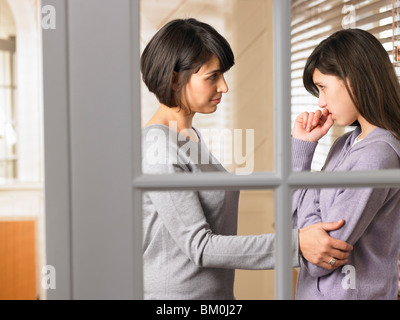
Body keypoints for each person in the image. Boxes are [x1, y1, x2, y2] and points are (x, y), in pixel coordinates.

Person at [141, 18, 352, 300]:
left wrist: (302, 145)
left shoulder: (187, 137)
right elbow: (200, 247)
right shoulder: (159, 147)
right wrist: (296, 244)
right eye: (212, 77)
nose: (224, 87)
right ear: (175, 78)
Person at [292, 28, 400, 300]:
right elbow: (294, 228)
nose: (321, 103)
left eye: (323, 87)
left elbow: (320, 259)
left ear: (353, 79)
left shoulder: (378, 156)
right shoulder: (344, 144)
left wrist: (309, 201)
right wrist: (302, 149)